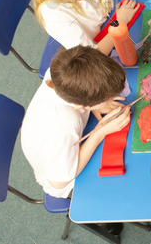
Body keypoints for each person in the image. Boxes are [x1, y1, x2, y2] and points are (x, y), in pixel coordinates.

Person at [21, 45, 131, 199]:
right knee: (121, 192)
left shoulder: (60, 72)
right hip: (66, 181)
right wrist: (99, 133)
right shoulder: (64, 125)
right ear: (81, 105)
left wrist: (97, 103)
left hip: (66, 143)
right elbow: (58, 182)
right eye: (105, 98)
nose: (109, 99)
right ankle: (101, 223)